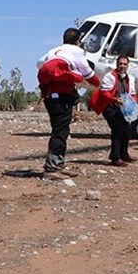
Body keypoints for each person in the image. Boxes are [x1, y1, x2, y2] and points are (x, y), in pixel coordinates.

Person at [37, 27, 100, 179]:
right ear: (78, 41)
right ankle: (52, 168)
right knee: (60, 131)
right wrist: (97, 83)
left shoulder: (53, 51)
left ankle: (58, 163)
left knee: (59, 129)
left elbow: (39, 63)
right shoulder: (77, 52)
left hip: (50, 97)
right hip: (62, 97)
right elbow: (88, 73)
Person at [90, 55, 138, 167]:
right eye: (120, 64)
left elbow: (133, 93)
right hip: (110, 106)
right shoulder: (109, 76)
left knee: (126, 129)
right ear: (117, 64)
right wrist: (115, 100)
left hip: (124, 108)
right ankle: (115, 157)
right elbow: (104, 93)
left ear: (128, 66)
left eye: (125, 64)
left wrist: (133, 102)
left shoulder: (131, 78)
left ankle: (124, 154)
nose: (122, 66)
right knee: (117, 129)